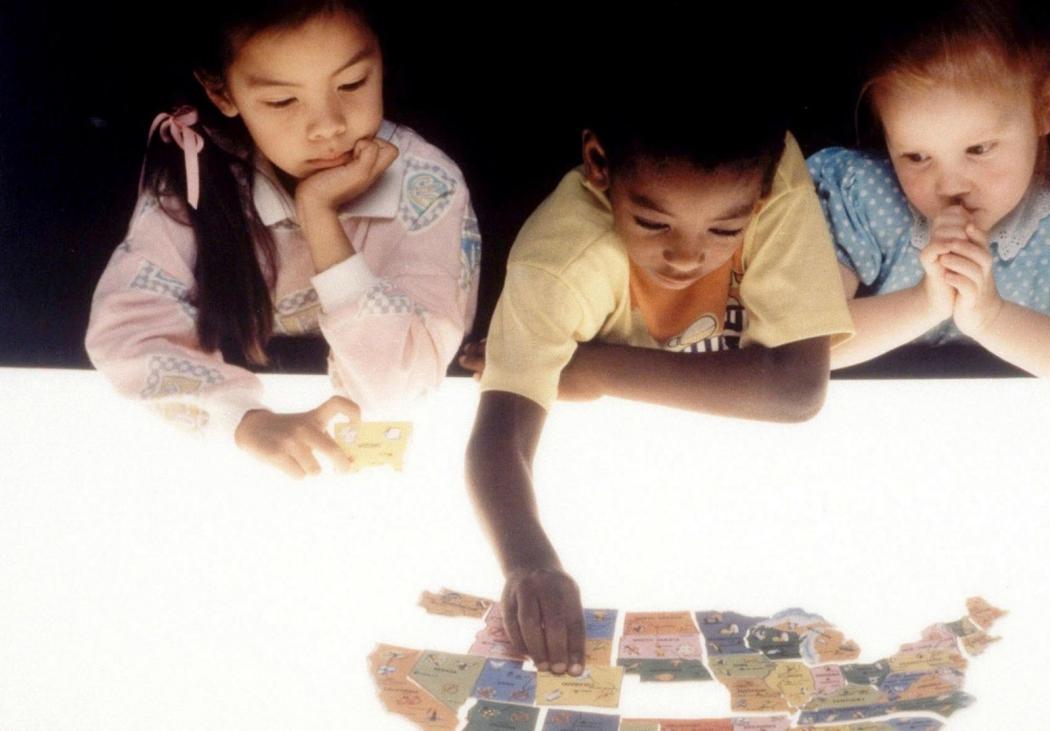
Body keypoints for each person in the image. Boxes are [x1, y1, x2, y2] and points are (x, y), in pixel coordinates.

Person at [459, 77, 853, 676]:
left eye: (725, 230)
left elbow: (799, 388)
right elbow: (500, 433)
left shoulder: (765, 175)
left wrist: (595, 368)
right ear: (599, 164)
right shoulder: (557, 261)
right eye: (652, 223)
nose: (687, 255)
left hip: (747, 480)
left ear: (766, 187)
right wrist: (527, 560)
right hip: (613, 471)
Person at [85, 1, 479, 477]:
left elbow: (400, 391)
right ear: (221, 92)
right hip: (240, 446)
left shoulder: (428, 185)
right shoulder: (196, 173)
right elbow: (130, 331)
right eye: (282, 101)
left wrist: (321, 218)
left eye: (352, 83)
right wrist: (244, 422)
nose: (328, 126)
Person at [808, 0, 1050, 396]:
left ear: (1044, 105)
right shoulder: (862, 198)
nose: (950, 185)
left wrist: (991, 318)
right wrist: (925, 303)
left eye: (978, 149)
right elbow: (798, 343)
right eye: (917, 157)